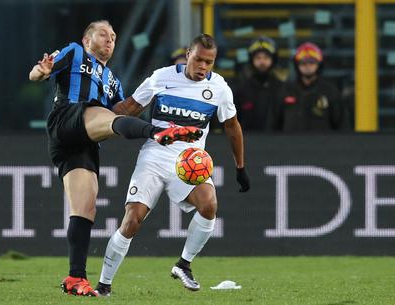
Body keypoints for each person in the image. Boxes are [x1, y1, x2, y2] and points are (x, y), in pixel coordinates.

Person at [28, 20, 202, 297]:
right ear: (87, 40)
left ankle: (76, 278)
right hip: (67, 117)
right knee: (106, 117)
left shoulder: (113, 82)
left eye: (113, 36)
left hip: (83, 142)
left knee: (85, 209)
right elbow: (37, 74)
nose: (110, 39)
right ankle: (159, 133)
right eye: (103, 35)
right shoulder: (74, 52)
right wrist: (41, 71)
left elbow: (124, 112)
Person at [94, 33, 251, 297]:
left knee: (209, 204)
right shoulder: (161, 77)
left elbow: (232, 127)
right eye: (199, 59)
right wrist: (94, 117)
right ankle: (103, 285)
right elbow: (129, 108)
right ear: (188, 53)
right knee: (132, 220)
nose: (203, 66)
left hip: (189, 161)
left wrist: (240, 167)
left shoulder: (220, 89)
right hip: (155, 156)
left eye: (209, 62)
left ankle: (184, 265)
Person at [281, 42, 344, 131]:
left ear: (319, 65)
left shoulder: (330, 91)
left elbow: (340, 125)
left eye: (312, 62)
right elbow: (276, 124)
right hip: (289, 144)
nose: (307, 66)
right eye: (303, 63)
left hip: (322, 144)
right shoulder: (285, 90)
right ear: (297, 65)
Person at [233, 36, 285, 131]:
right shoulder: (242, 89)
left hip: (278, 143)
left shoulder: (282, 88)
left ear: (273, 60)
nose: (262, 62)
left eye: (266, 57)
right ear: (251, 60)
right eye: (258, 58)